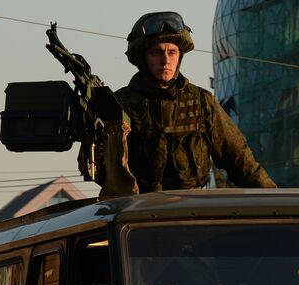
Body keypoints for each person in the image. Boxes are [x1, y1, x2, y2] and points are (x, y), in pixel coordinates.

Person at [114, 11, 277, 193]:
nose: (166, 60)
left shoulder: (201, 102)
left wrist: (274, 199)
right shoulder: (120, 104)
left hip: (190, 210)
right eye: (157, 52)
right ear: (143, 57)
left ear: (179, 56)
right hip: (137, 213)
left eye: (172, 52)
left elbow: (238, 158)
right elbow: (103, 169)